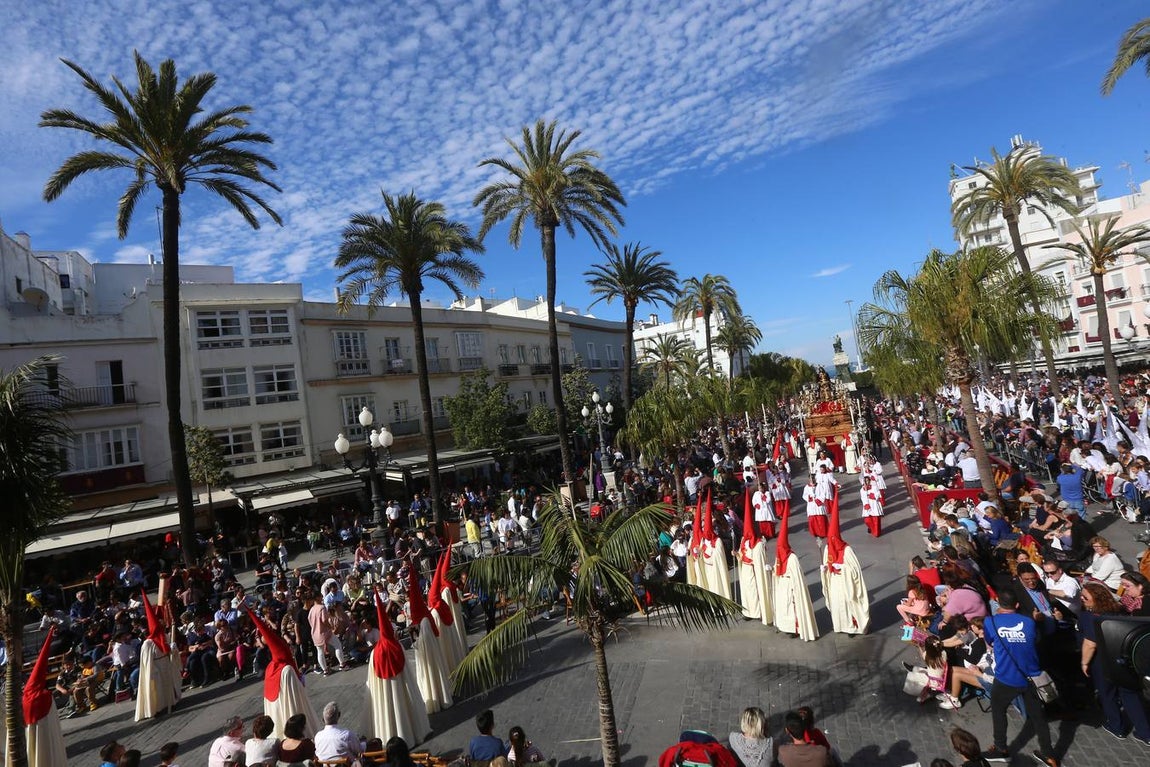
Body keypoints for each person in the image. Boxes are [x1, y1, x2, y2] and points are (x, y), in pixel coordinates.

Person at [980, 587, 1058, 766]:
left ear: (998, 603)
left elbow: (990, 641)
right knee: (1038, 717)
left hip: (1006, 677)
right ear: (1016, 604)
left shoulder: (990, 622)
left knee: (998, 711)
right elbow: (1034, 640)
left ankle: (1001, 748)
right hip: (1031, 677)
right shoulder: (1029, 622)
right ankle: (1049, 754)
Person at [1078, 582, 1150, 744]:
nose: (1082, 599)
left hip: (1101, 662)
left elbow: (1090, 644)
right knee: (1130, 694)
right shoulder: (1118, 610)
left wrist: (1084, 663)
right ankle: (1145, 732)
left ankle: (1116, 726)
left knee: (1107, 694)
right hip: (1122, 659)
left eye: (1085, 597)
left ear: (1096, 599)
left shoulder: (1090, 617)